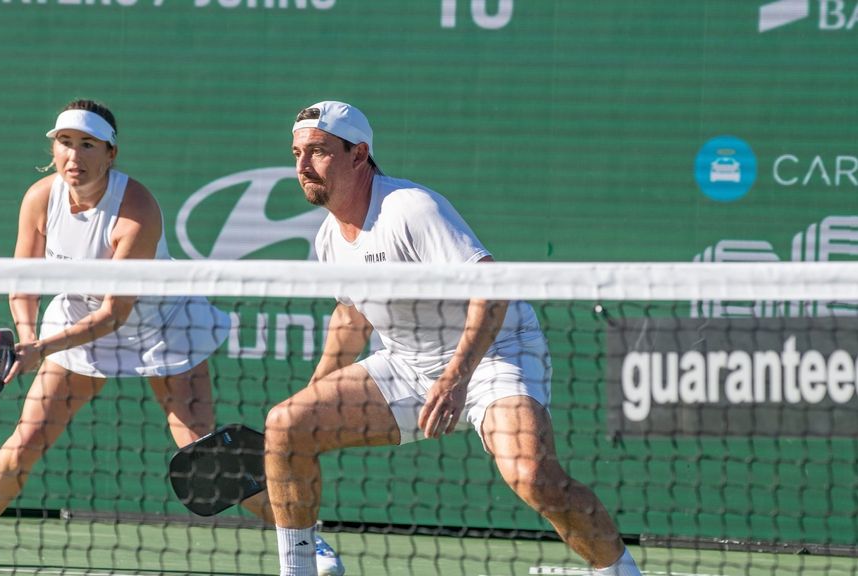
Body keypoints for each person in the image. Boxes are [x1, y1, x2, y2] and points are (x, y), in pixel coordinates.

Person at [0, 99, 344, 576]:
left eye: (87, 145)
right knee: (31, 433)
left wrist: (40, 349)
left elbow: (114, 313)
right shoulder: (40, 198)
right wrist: (25, 337)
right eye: (64, 143)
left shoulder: (136, 208)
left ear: (111, 154)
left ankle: (308, 542)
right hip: (76, 319)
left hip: (162, 324)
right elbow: (23, 281)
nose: (73, 156)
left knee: (203, 452)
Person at [265, 100, 643, 576]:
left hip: (493, 355)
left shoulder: (409, 208)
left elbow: (493, 286)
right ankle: (298, 569)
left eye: (317, 152)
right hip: (406, 363)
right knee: (286, 425)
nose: (302, 166)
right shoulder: (328, 238)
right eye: (297, 153)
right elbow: (352, 313)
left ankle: (620, 571)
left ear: (358, 155)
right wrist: (316, 385)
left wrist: (456, 377)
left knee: (534, 477)